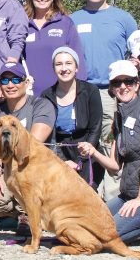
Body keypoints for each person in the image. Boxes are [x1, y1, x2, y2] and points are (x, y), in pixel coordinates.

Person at [77, 60, 140, 245]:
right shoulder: (120, 118)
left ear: (137, 84)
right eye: (117, 82)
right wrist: (94, 152)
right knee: (87, 227)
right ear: (111, 87)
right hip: (127, 195)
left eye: (128, 81)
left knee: (103, 237)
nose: (123, 87)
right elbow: (115, 166)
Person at [69, 0, 138, 201]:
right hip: (80, 92)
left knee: (111, 141)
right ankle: (88, 195)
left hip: (112, 92)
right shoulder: (73, 20)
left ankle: (112, 199)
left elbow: (138, 49)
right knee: (86, 142)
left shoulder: (123, 18)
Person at [0, 62, 56, 236]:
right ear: (0, 85)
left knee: (27, 180)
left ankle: (32, 214)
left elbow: (32, 143)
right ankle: (21, 214)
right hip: (11, 173)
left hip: (40, 172)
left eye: (16, 80)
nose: (10, 85)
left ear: (26, 83)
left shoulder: (41, 106)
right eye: (5, 81)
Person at [40, 47, 103, 189]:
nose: (64, 68)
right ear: (54, 69)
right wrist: (63, 161)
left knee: (86, 192)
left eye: (69, 63)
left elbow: (95, 129)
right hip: (59, 152)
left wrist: (80, 161)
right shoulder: (46, 95)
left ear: (76, 68)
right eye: (59, 64)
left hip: (88, 150)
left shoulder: (91, 91)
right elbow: (49, 134)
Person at [22, 0, 87, 97]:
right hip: (29, 94)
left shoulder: (65, 23)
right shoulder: (22, 23)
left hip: (60, 93)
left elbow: (77, 58)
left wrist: (80, 89)